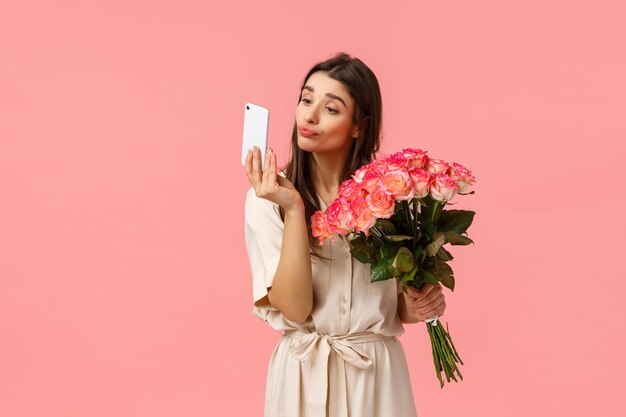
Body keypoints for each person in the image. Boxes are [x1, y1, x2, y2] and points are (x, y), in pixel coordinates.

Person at [243, 52, 447, 417]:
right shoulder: (268, 200)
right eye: (306, 100)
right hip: (303, 377)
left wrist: (416, 307)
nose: (310, 115)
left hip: (377, 376)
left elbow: (395, 301)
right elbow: (295, 307)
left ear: (359, 126)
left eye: (331, 108)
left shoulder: (392, 197)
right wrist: (293, 209)